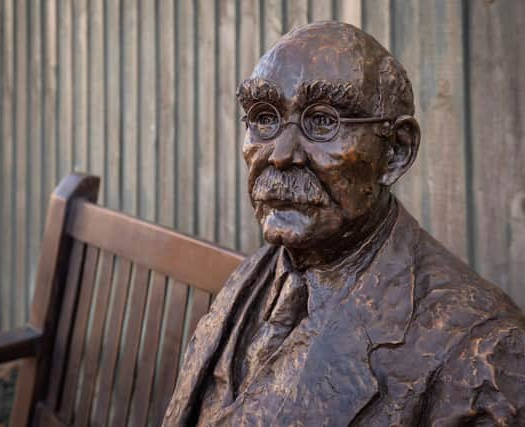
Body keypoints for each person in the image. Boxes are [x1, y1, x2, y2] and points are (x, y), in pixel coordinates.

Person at [163, 22, 525, 426]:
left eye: (322, 122)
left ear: (396, 152)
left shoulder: (484, 351)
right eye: (264, 118)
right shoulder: (258, 273)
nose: (281, 155)